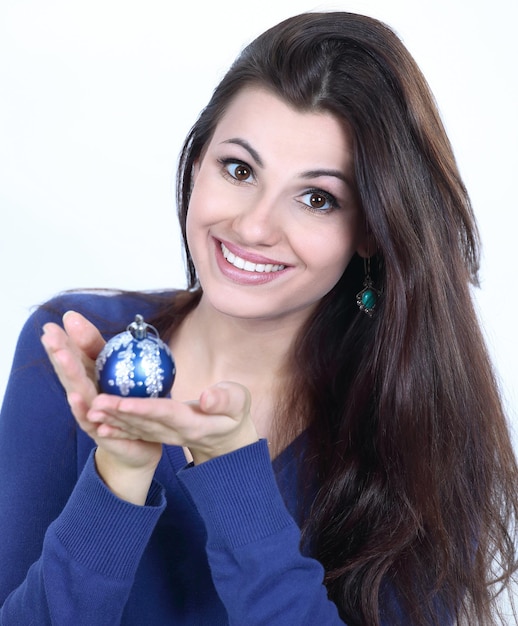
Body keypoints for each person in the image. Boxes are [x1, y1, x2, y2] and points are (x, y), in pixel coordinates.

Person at [0, 10, 516, 626]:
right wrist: (118, 474)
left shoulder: (413, 426)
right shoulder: (74, 352)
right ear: (196, 165)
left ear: (371, 233)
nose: (253, 227)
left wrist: (233, 477)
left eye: (317, 198)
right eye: (239, 170)